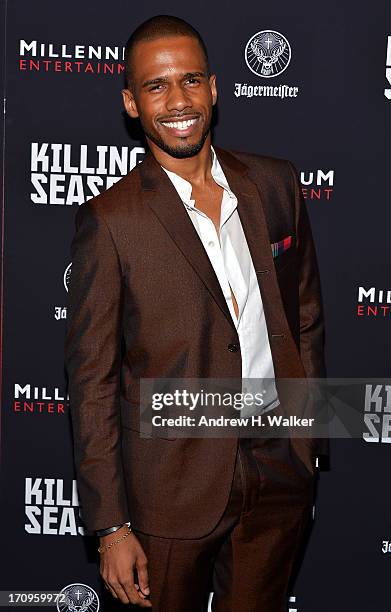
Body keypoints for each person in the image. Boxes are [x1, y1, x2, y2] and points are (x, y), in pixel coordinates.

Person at [64, 14, 327, 612]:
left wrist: (306, 436)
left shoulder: (276, 184)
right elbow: (92, 381)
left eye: (190, 80)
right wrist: (110, 526)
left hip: (278, 470)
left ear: (214, 87)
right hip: (168, 488)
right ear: (132, 102)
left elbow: (305, 314)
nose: (177, 100)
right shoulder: (112, 221)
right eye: (156, 86)